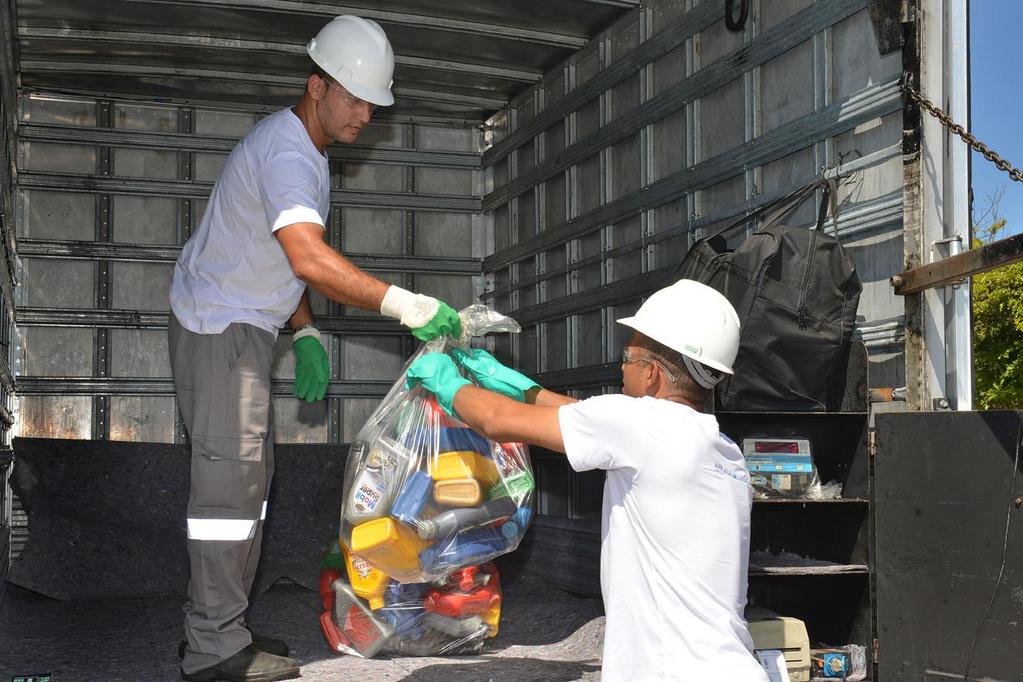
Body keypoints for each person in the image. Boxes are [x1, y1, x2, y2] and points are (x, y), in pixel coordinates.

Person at [168, 15, 461, 682]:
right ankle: (213, 647)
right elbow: (308, 253)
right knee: (229, 489)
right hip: (219, 326)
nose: (364, 115)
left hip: (241, 325)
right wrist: (404, 304)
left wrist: (302, 329)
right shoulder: (289, 154)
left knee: (248, 481)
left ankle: (224, 625)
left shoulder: (306, 152)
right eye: (354, 99)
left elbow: (288, 263)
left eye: (372, 104)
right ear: (316, 86)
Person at [406, 279, 769, 682]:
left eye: (627, 356)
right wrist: (519, 386)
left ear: (650, 374)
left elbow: (497, 421)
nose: (621, 366)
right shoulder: (721, 450)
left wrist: (445, 381)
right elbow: (588, 418)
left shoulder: (640, 426)